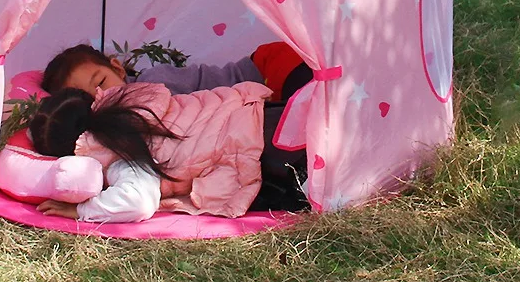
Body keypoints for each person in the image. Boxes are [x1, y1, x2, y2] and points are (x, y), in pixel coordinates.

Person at [29, 80, 308, 221]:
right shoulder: (129, 98)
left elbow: (137, 201)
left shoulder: (114, 152)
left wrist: (82, 210)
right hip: (265, 113)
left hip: (265, 155)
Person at [41, 41, 312, 103]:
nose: (101, 95)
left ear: (117, 68)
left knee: (310, 115)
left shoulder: (152, 84)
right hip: (263, 92)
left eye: (101, 82)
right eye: (89, 98)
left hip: (270, 67)